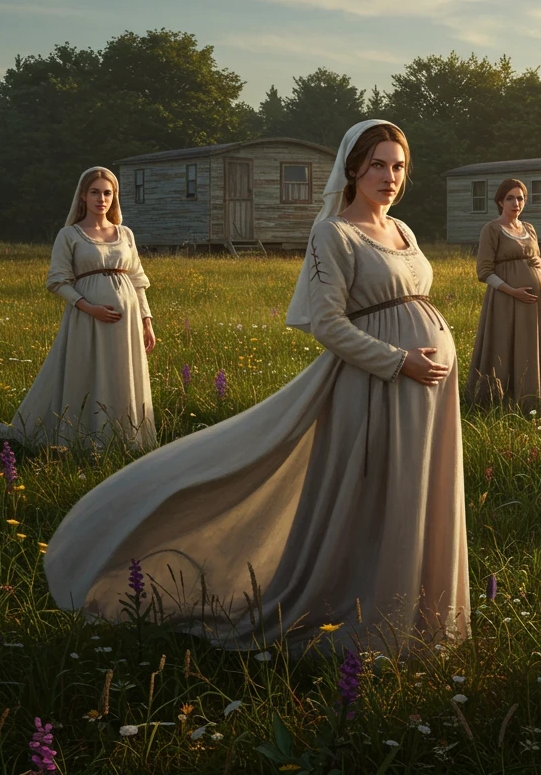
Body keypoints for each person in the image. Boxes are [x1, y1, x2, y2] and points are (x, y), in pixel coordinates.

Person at [45, 120, 470, 653]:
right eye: (379, 164)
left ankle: (426, 616)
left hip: (427, 391)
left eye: (399, 165)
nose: (390, 176)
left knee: (421, 491)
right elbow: (328, 322)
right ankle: (377, 612)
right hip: (377, 384)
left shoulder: (403, 230)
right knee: (381, 493)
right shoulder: (334, 232)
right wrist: (396, 359)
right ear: (354, 168)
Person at [0, 167, 156, 451]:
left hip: (125, 322)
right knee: (87, 372)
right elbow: (57, 281)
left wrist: (146, 320)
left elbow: (137, 279)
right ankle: (85, 439)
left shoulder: (125, 233)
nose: (101, 199)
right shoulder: (70, 234)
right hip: (86, 320)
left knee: (121, 374)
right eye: (95, 192)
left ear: (114, 197)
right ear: (83, 196)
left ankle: (125, 438)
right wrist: (89, 308)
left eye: (107, 193)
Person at [466, 179, 541, 406]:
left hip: (534, 303)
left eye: (520, 198)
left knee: (531, 346)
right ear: (500, 201)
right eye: (510, 198)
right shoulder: (492, 229)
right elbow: (484, 271)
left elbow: (536, 262)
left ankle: (532, 399)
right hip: (506, 300)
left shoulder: (529, 229)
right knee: (504, 346)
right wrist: (513, 291)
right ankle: (498, 399)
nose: (516, 203)